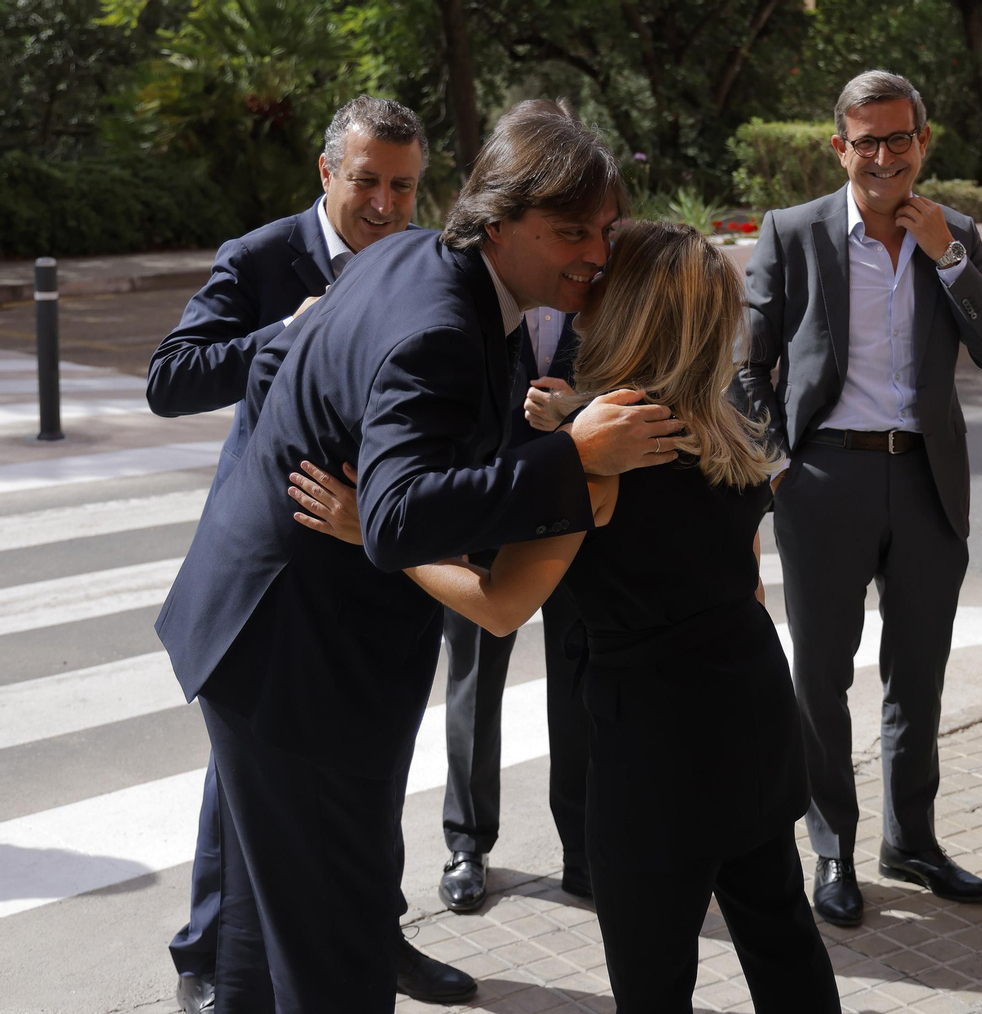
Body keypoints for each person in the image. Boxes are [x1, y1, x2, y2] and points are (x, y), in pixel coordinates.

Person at [153, 112, 679, 1012]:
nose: (595, 254)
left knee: (261, 936)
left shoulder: (416, 257)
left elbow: (309, 386)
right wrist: (574, 457)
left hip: (269, 636)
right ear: (499, 221)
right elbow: (395, 519)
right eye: (571, 233)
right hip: (299, 664)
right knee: (337, 953)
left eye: (604, 230)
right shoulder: (439, 323)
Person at [298, 221, 842, 1013]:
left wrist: (379, 537)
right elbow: (747, 580)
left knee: (654, 984)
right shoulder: (726, 424)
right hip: (754, 709)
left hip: (657, 749)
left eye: (601, 280)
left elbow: (499, 606)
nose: (583, 283)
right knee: (782, 939)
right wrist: (571, 416)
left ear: (626, 311)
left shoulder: (604, 464)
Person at [143, 95, 472, 1009]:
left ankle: (373, 933)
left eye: (404, 187)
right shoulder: (261, 257)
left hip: (370, 565)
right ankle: (208, 959)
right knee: (246, 791)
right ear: (326, 173)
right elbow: (169, 378)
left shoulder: (424, 260)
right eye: (367, 182)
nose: (386, 205)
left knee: (366, 784)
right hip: (272, 567)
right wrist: (283, 333)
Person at [736, 69, 982, 929]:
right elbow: (747, 367)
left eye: (900, 139)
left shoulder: (954, 233)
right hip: (825, 478)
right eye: (868, 141)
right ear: (841, 148)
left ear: (922, 143)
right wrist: (779, 469)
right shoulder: (793, 233)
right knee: (821, 678)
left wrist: (949, 258)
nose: (885, 156)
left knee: (918, 674)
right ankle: (832, 849)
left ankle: (913, 841)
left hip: (927, 478)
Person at [435, 96, 595, 915]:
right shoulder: (462, 275)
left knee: (577, 676)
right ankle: (468, 843)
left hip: (571, 500)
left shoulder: (595, 258)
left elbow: (636, 369)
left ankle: (582, 848)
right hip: (482, 501)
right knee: (473, 677)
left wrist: (579, 402)